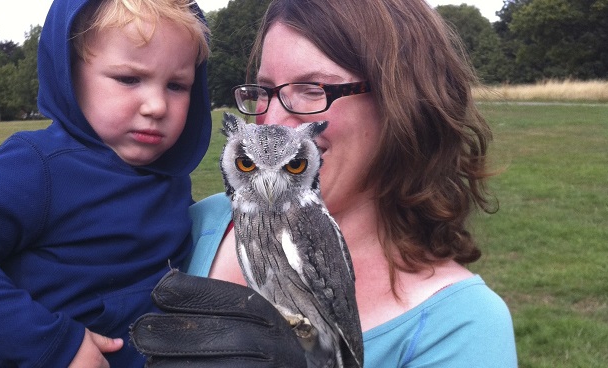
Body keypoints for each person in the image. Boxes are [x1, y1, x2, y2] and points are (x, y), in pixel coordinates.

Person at [131, 0, 518, 367]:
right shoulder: (199, 222)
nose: (278, 123)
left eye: (313, 89)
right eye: (265, 91)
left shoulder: (461, 325)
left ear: (402, 103)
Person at [0, 0, 210, 366]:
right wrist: (54, 344)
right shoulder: (38, 165)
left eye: (177, 85)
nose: (157, 106)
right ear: (69, 73)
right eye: (129, 79)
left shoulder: (172, 182)